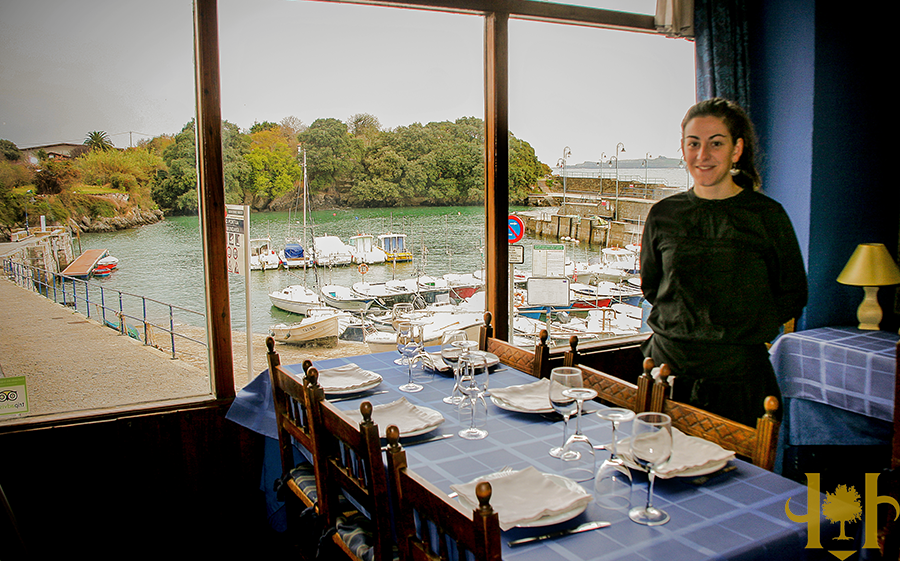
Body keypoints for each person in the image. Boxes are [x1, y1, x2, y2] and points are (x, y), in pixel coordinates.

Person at [639, 98, 807, 427]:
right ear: (684, 149)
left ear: (737, 149)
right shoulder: (663, 214)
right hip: (667, 370)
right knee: (654, 468)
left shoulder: (768, 217)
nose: (703, 156)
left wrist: (740, 327)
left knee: (738, 476)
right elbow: (650, 285)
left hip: (740, 379)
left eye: (716, 143)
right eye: (693, 144)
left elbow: (792, 293)